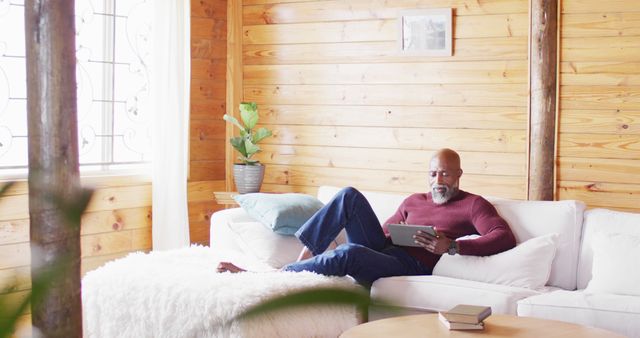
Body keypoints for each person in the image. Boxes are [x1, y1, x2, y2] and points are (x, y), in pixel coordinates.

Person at [217, 148, 516, 287]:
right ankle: (304, 259)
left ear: (459, 175)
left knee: (350, 252)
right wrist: (395, 234)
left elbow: (503, 237)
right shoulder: (414, 200)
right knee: (349, 195)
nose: (438, 179)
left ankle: (273, 277)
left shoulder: (473, 204)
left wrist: (451, 246)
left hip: (413, 266)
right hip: (387, 253)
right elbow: (384, 233)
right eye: (433, 173)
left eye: (445, 173)